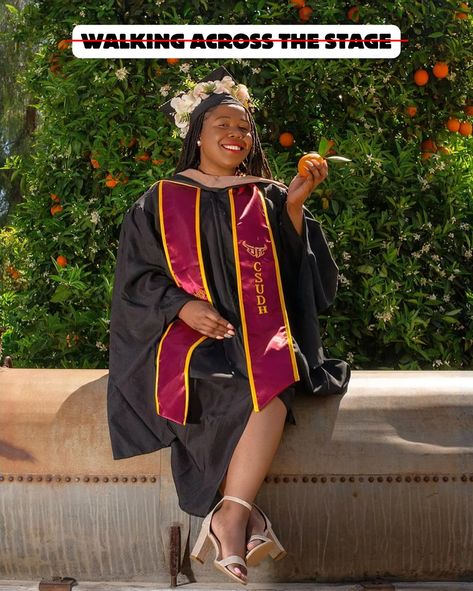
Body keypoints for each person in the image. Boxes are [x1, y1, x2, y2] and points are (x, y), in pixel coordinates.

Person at [106, 65, 351, 585]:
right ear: (197, 134)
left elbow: (299, 279)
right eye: (223, 124)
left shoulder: (265, 194)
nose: (237, 135)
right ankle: (244, 520)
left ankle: (230, 517)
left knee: (270, 393)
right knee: (232, 393)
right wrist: (180, 306)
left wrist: (294, 206)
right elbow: (134, 278)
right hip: (184, 341)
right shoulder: (160, 199)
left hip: (254, 340)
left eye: (244, 128)